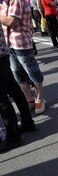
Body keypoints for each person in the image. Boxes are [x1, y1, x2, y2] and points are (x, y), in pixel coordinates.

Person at [0, 0, 46, 115]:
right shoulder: (4, 3)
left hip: (21, 42)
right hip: (8, 43)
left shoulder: (16, 1)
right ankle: (30, 100)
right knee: (18, 75)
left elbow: (11, 22)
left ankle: (39, 99)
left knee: (32, 72)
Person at [0, 23, 23, 153]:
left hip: (1, 54)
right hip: (3, 52)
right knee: (13, 89)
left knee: (1, 99)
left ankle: (14, 137)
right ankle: (26, 121)